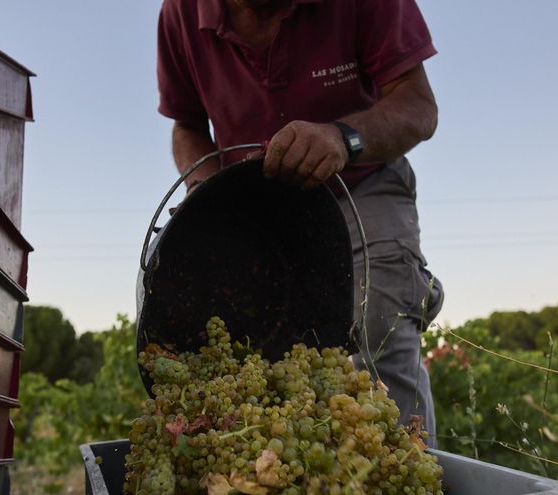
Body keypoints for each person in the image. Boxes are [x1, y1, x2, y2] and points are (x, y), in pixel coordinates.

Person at [155, 0, 444, 445]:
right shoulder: (180, 13)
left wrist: (343, 137)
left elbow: (418, 106)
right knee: (245, 346)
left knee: (381, 325)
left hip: (360, 183)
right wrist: (207, 198)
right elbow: (186, 126)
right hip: (252, 211)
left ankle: (408, 468)